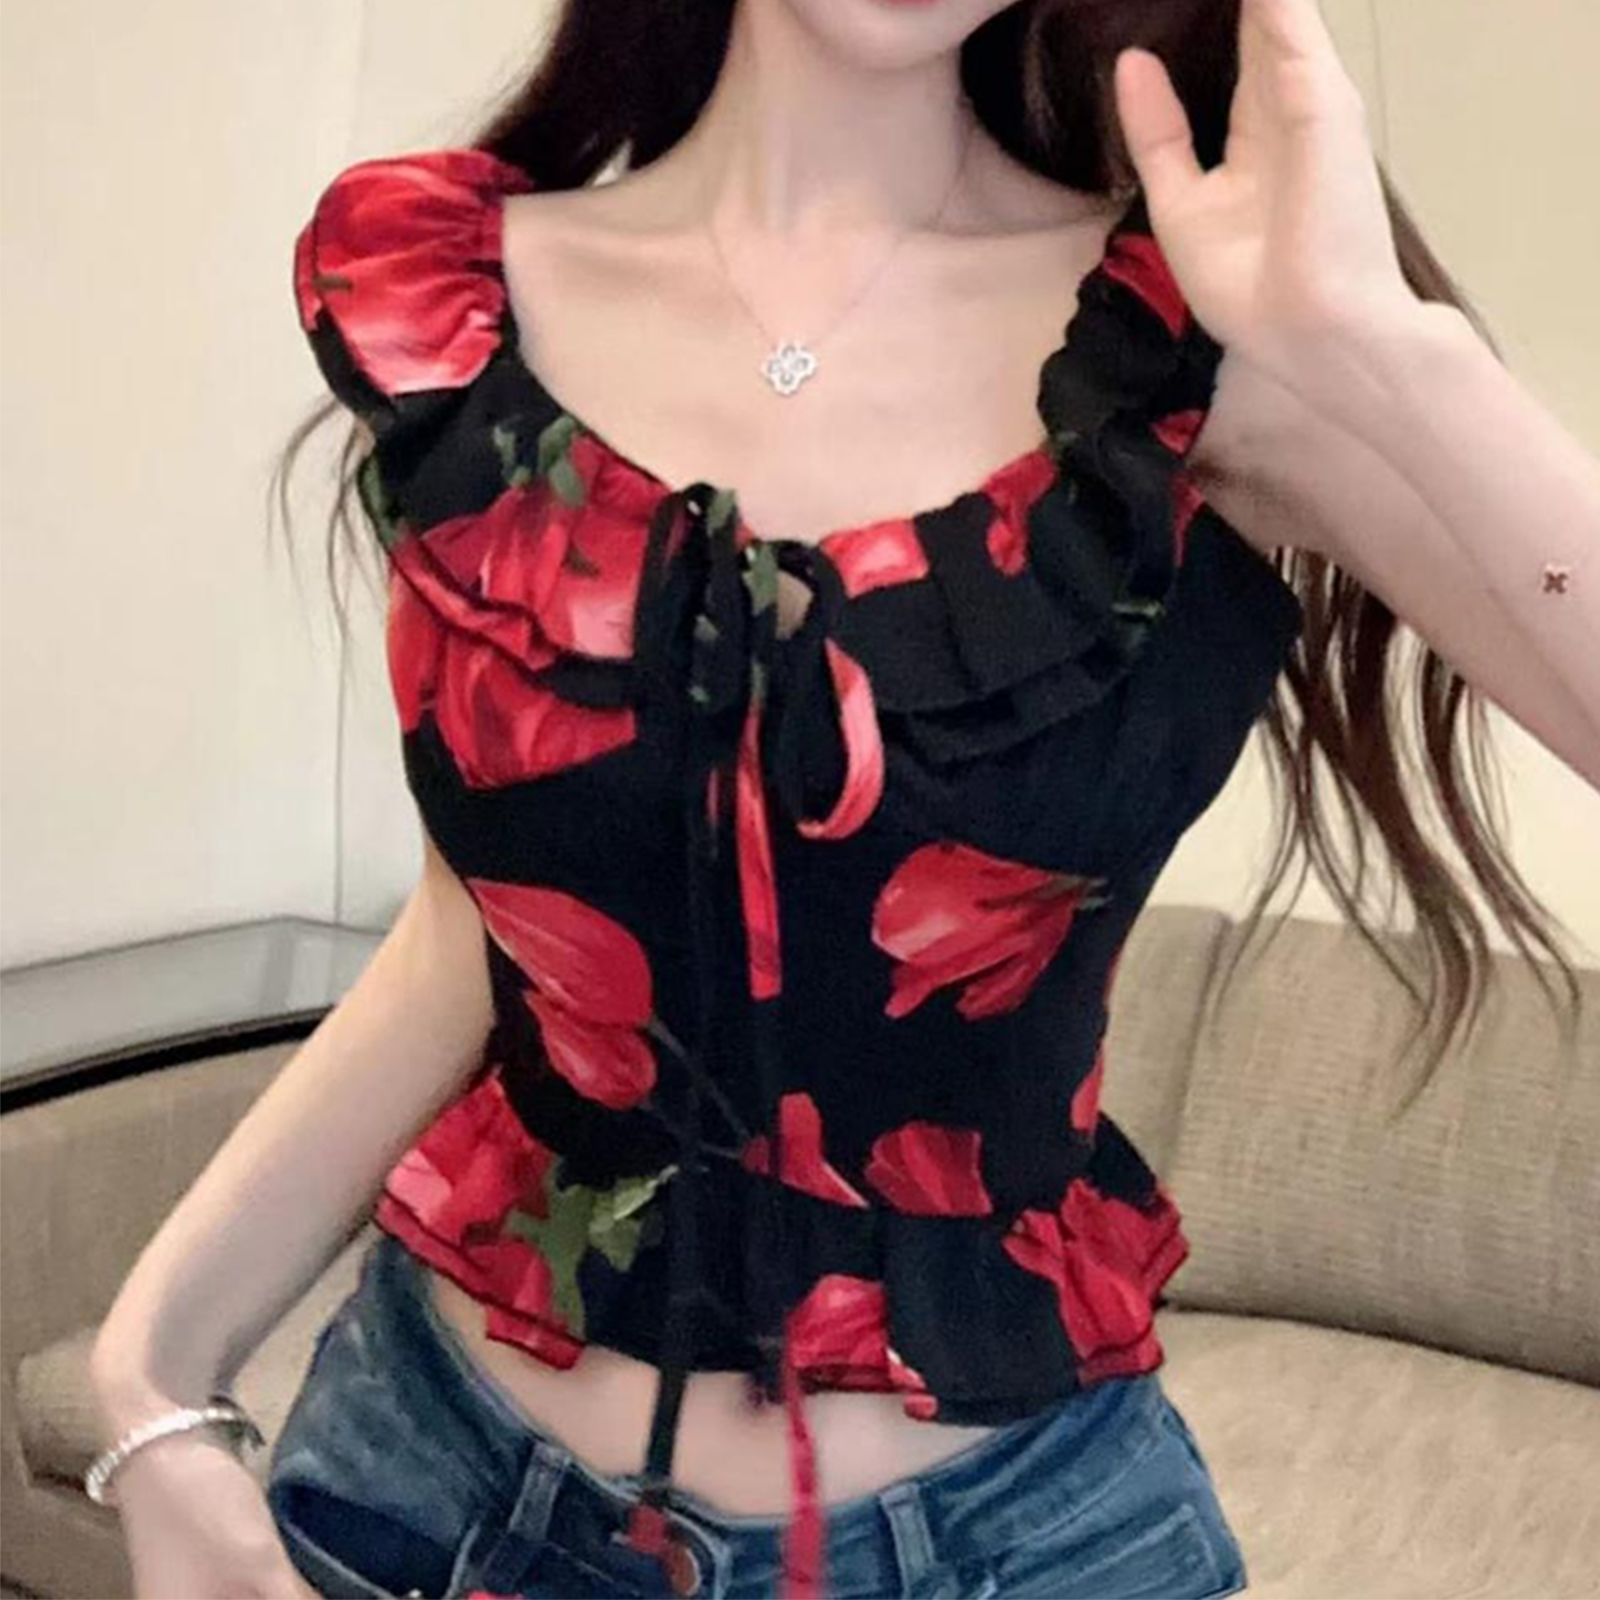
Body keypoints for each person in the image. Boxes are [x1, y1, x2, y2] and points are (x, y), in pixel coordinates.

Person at [87, 0, 1599, 1596]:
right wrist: (149, 1368)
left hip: (1013, 1549)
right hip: (428, 1491)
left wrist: (1391, 357)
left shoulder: (1196, 352)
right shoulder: (468, 310)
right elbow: (479, 939)